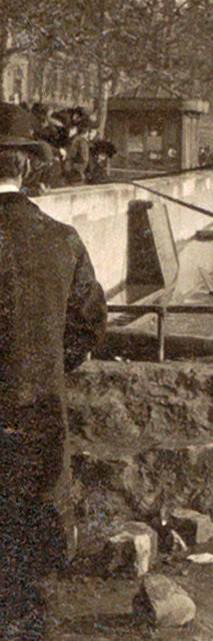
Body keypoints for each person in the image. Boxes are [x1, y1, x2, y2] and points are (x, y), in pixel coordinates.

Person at [0, 103, 106, 638]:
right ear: (26, 167)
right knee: (30, 569)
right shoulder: (60, 239)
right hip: (36, 415)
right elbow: (89, 323)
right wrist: (47, 366)